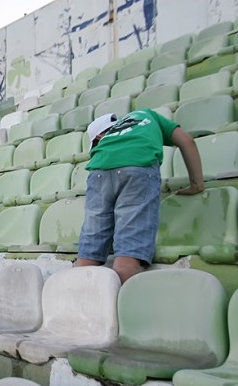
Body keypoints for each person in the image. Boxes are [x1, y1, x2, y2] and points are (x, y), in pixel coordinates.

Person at [75, 110, 204, 283]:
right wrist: (197, 184)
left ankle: (80, 296)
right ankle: (117, 305)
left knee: (90, 247)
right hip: (136, 166)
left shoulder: (110, 136)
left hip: (98, 170)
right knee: (129, 252)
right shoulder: (148, 116)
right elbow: (187, 141)